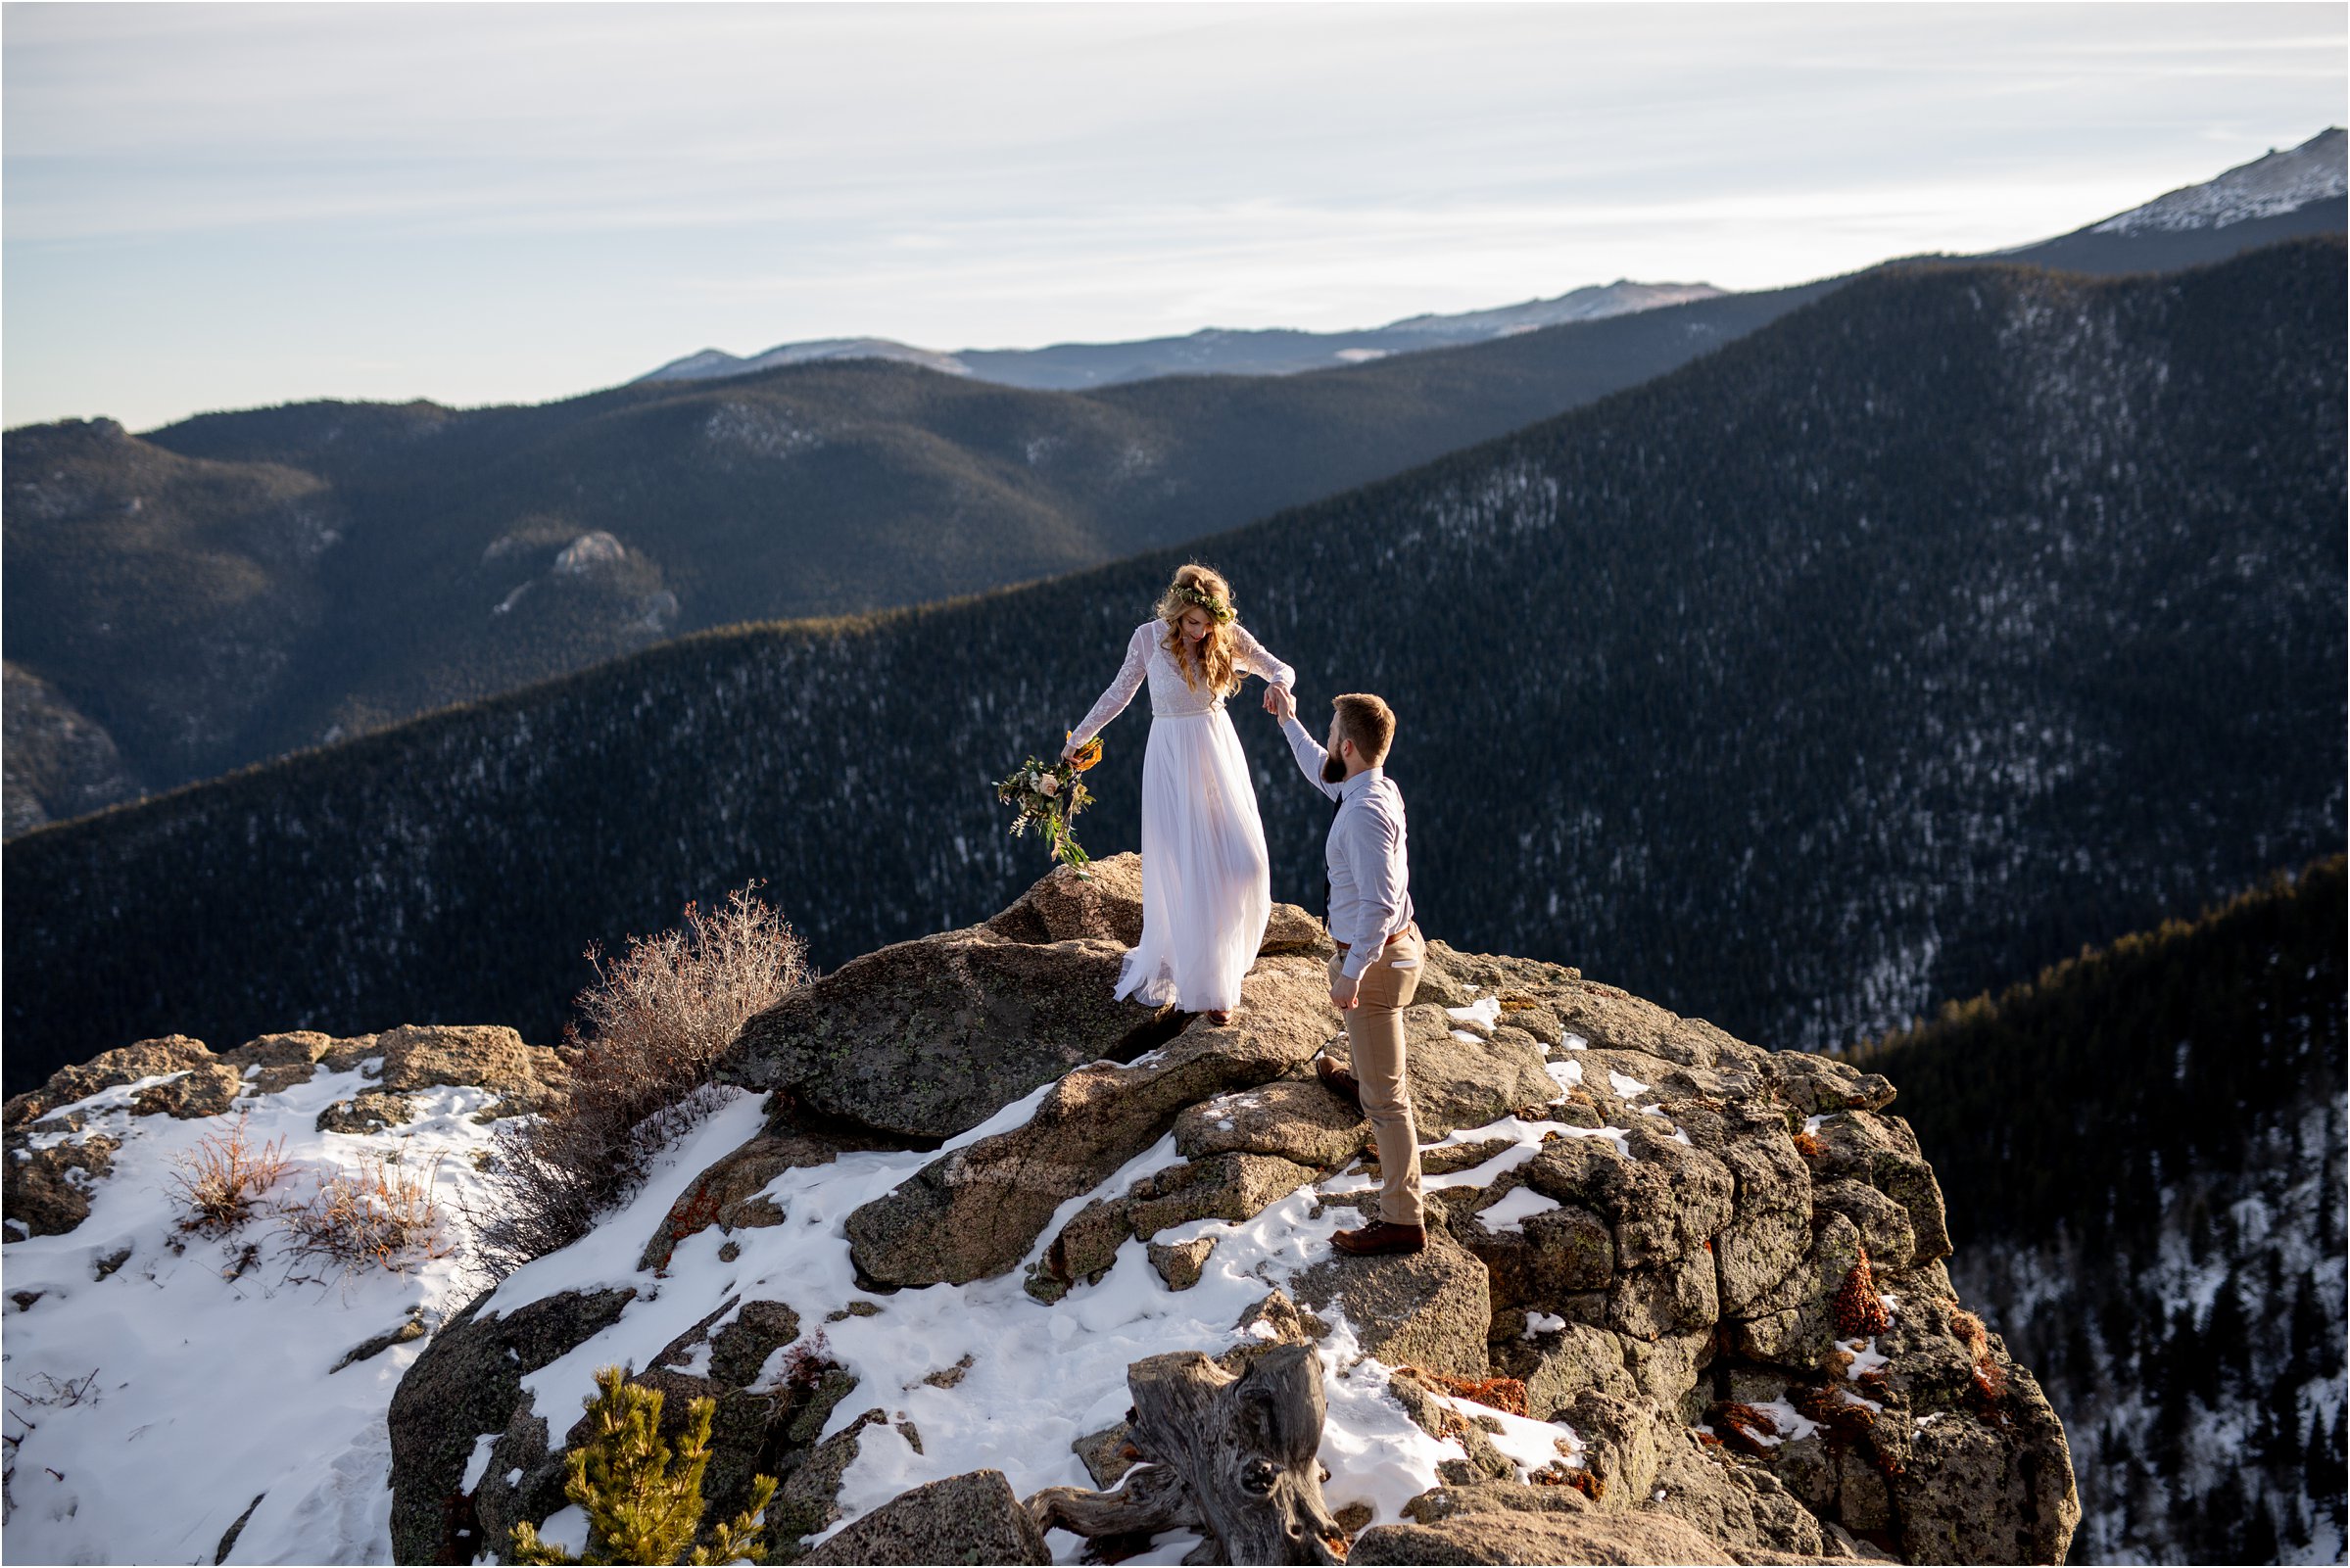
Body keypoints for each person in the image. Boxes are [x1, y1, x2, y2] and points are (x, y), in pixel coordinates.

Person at [1064, 564, 1294, 1024]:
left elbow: (1281, 666)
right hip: (1170, 756)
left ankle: (1223, 964)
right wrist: (1078, 738)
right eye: (1193, 623)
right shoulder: (1147, 639)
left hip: (1216, 752)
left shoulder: (1225, 636)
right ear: (1176, 613)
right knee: (1191, 865)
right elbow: (1117, 694)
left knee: (1247, 862)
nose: (1202, 631)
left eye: (1209, 623)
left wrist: (1280, 685)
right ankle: (1211, 987)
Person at [1270, 684, 1425, 1258]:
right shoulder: (1373, 785)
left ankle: (1402, 1219)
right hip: (1399, 948)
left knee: (1388, 1105)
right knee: (1376, 1070)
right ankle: (1363, 1072)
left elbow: (1381, 906)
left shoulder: (1361, 815)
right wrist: (1289, 721)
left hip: (1379, 962)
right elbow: (1322, 770)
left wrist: (1352, 972)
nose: (1328, 741)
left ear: (1352, 747)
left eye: (1333, 735)